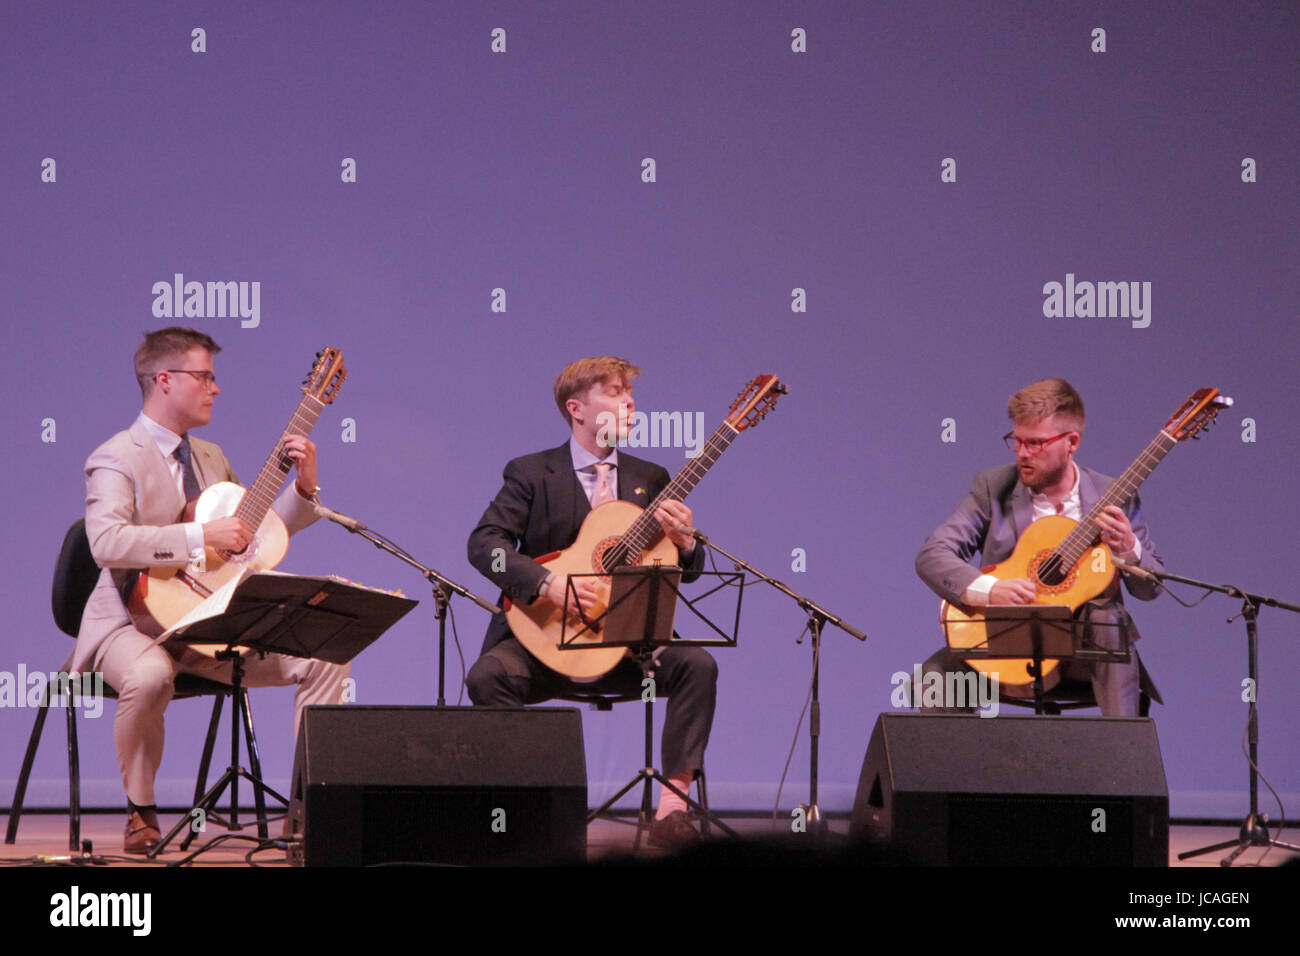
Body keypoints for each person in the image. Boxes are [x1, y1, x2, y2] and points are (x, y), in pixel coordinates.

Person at [72, 327, 349, 853]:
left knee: (324, 656)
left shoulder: (210, 456)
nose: (215, 389)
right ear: (164, 380)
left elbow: (254, 533)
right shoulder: (114, 458)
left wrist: (305, 487)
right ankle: (140, 811)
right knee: (152, 674)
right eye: (205, 377)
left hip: (210, 623)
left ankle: (311, 809)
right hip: (131, 627)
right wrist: (199, 536)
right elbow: (106, 543)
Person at [466, 356, 717, 848]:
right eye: (614, 392)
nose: (629, 401)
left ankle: (672, 807)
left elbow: (684, 571)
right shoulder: (531, 473)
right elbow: (485, 548)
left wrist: (686, 544)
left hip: (626, 648)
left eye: (630, 393)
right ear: (576, 408)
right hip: (547, 644)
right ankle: (530, 805)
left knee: (697, 665)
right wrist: (546, 584)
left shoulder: (651, 476)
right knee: (486, 678)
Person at [914, 378, 1163, 716]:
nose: (1022, 454)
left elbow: (1150, 588)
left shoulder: (1114, 494)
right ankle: (957, 769)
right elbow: (933, 555)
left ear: (1071, 442)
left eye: (1035, 443)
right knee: (933, 680)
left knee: (1108, 616)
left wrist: (1129, 548)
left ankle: (1126, 756)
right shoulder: (993, 487)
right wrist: (991, 590)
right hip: (1005, 648)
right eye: (1016, 441)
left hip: (1086, 658)